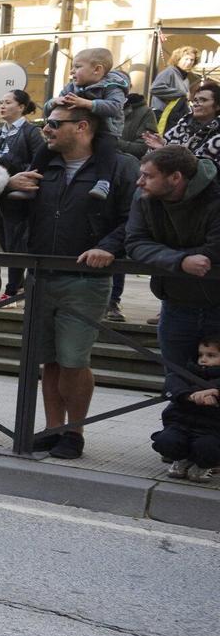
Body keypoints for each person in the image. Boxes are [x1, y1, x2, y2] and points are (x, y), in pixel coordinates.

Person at [0, 104, 133, 459]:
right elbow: (15, 218)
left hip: (86, 280)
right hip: (41, 276)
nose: (46, 130)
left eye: (53, 124)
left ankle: (75, 433)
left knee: (73, 360)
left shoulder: (119, 166)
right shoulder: (43, 164)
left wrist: (107, 248)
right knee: (47, 360)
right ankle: (54, 429)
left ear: (82, 127)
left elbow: (133, 220)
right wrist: (9, 188)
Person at [125, 145, 220, 389]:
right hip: (176, 304)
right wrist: (180, 261)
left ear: (175, 177)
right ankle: (178, 428)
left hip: (215, 301)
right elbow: (135, 242)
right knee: (177, 385)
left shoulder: (215, 194)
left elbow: (215, 250)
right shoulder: (144, 198)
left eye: (148, 175)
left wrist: (168, 256)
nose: (140, 182)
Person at [0, 88, 44, 298]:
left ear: (21, 107)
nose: (2, 106)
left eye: (8, 102)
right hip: (0, 191)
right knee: (4, 239)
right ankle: (17, 284)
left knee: (16, 241)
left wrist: (6, 162)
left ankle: (13, 288)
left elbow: (37, 163)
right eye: (1, 102)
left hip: (20, 196)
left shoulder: (31, 132)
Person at [151, 332, 220, 482]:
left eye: (211, 355)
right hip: (180, 424)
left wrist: (215, 393)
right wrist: (189, 396)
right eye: (201, 354)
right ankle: (181, 459)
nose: (203, 359)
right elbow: (172, 383)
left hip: (212, 430)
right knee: (166, 441)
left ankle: (203, 465)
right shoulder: (187, 371)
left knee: (207, 447)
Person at [150, 77, 220, 165]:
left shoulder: (217, 135)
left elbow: (210, 172)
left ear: (217, 106)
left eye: (203, 100)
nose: (196, 104)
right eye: (195, 100)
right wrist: (162, 147)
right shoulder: (181, 126)